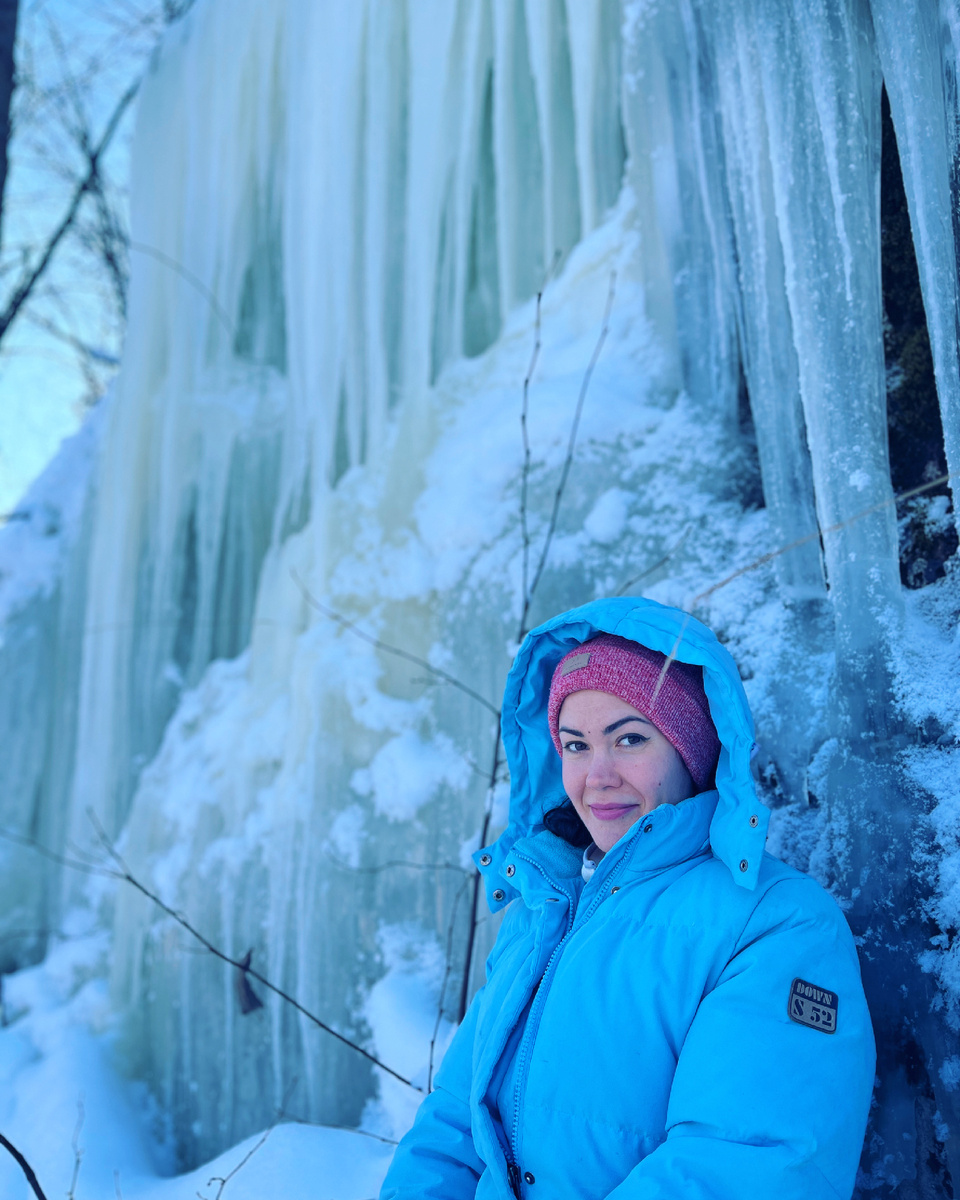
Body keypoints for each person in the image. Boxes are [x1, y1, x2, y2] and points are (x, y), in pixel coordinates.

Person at [380, 596, 875, 1200]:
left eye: (631, 739)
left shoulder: (779, 924)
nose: (599, 775)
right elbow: (453, 1128)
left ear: (689, 749)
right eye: (576, 745)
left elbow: (748, 1166)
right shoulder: (543, 911)